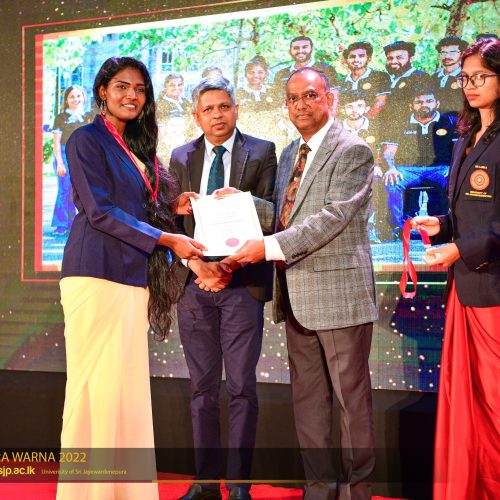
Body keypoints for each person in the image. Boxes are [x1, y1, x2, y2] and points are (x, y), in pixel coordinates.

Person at [57, 56, 205, 500]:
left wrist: (174, 207)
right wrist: (167, 238)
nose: (132, 96)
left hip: (131, 275)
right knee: (96, 389)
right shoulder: (85, 139)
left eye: (140, 89)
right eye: (122, 86)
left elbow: (135, 205)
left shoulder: (136, 145)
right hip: (95, 274)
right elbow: (100, 211)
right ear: (102, 91)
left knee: (126, 389)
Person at [233, 67, 378, 500]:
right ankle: (319, 490)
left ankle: (356, 494)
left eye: (310, 95)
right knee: (309, 407)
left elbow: (332, 217)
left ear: (330, 98)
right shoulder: (291, 153)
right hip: (296, 296)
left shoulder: (352, 150)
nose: (301, 105)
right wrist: (240, 204)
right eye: (293, 98)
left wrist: (267, 247)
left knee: (352, 406)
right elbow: (286, 214)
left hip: (340, 299)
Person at [169, 76, 277, 500]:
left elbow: (274, 216)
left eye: (224, 106)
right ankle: (204, 482)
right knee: (201, 389)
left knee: (241, 388)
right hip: (195, 285)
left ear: (236, 110)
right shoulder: (181, 156)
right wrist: (199, 267)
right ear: (197, 116)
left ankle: (238, 485)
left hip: (242, 284)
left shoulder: (262, 152)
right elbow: (171, 221)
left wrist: (228, 265)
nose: (217, 115)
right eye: (208, 109)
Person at [412, 38, 500, 500]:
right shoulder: (466, 136)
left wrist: (458, 249)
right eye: (465, 77)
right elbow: (472, 213)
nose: (470, 85)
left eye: (481, 76)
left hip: (494, 293)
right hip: (465, 287)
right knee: (470, 410)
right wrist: (442, 225)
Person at [382, 87, 458, 237]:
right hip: (409, 169)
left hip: (441, 169)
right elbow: (389, 152)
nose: (424, 105)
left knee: (456, 180)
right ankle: (399, 227)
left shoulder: (450, 121)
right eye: (419, 102)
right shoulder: (400, 123)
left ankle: (451, 224)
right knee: (392, 181)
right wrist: (391, 168)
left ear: (437, 103)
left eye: (429, 101)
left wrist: (454, 169)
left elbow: (458, 150)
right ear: (411, 106)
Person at [50, 85, 93, 236]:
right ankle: (61, 224)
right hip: (65, 154)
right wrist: (60, 162)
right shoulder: (61, 117)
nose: (76, 99)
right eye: (72, 97)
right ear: (67, 99)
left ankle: (76, 224)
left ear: (83, 97)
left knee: (81, 190)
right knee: (65, 188)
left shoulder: (88, 116)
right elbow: (56, 142)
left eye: (78, 96)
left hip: (84, 155)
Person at [340, 41, 391, 118]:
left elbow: (381, 102)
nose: (356, 60)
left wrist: (364, 120)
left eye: (361, 56)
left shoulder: (380, 76)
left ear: (369, 59)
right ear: (347, 60)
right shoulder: (342, 81)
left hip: (373, 121)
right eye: (352, 57)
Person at [273, 36, 339, 93]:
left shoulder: (326, 69)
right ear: (289, 51)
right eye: (296, 48)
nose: (300, 51)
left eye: (304, 47)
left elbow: (333, 96)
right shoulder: (281, 74)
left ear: (312, 50)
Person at [383, 40, 430, 117]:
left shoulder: (420, 77)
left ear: (411, 59)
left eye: (399, 58)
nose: (393, 61)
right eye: (390, 58)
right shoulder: (388, 80)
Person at [431, 36, 468, 116]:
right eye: (443, 52)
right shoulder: (434, 77)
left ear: (461, 54)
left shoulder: (466, 77)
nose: (447, 56)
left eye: (452, 52)